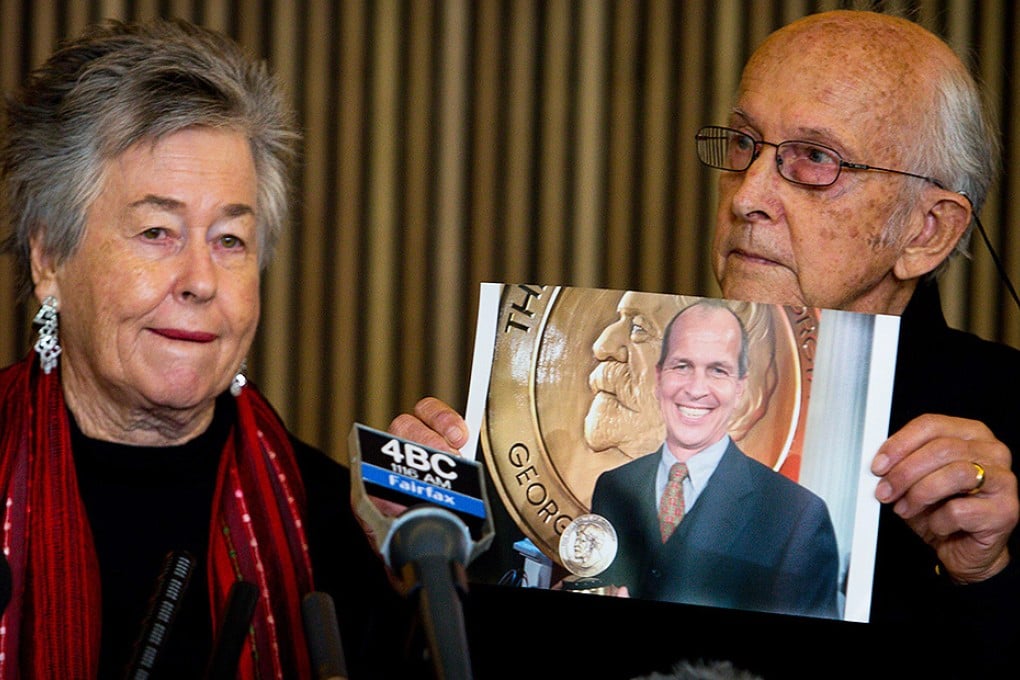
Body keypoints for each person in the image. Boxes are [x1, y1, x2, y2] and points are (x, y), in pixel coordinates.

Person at [389, 9, 1020, 677]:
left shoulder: (1001, 434)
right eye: (745, 145)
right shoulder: (609, 463)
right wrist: (431, 549)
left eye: (814, 159)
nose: (748, 195)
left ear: (927, 230)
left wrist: (988, 577)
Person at [0, 18, 414, 679]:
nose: (199, 281)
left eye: (230, 241)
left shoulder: (332, 528)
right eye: (158, 231)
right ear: (49, 257)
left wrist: (452, 568)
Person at [590, 299, 839, 619]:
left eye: (717, 371)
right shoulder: (612, 487)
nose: (696, 389)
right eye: (682, 366)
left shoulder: (799, 518)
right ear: (659, 377)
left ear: (740, 388)